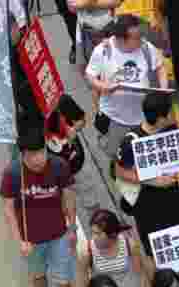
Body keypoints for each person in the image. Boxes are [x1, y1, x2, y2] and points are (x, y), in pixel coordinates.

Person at [0, 128, 78, 287]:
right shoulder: (13, 173)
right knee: (38, 274)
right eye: (32, 155)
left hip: (59, 232)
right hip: (31, 239)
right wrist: (20, 241)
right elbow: (8, 209)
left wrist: (72, 228)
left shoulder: (59, 166)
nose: (39, 158)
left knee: (65, 277)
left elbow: (69, 196)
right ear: (22, 154)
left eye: (41, 151)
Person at [114, 92, 179, 287]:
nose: (175, 114)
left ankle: (175, 279)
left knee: (175, 240)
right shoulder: (131, 140)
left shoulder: (171, 131)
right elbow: (119, 170)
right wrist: (152, 180)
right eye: (171, 111)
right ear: (160, 117)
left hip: (173, 200)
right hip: (148, 206)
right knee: (154, 251)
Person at [85, 14, 168, 156]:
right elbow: (90, 75)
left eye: (141, 35)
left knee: (142, 156)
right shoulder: (103, 51)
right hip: (114, 118)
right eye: (136, 38)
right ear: (121, 39)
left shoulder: (146, 48)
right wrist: (102, 86)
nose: (141, 40)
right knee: (116, 155)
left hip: (142, 119)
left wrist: (163, 90)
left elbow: (160, 66)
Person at [76, 209, 144, 287]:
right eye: (92, 232)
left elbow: (140, 275)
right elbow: (84, 283)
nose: (93, 237)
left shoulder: (129, 245)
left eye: (98, 233)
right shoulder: (86, 252)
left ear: (112, 234)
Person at [69, 0, 123, 76]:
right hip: (85, 30)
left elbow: (117, 2)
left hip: (109, 28)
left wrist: (84, 4)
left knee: (113, 67)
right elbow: (72, 7)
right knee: (89, 68)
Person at [46, 95, 88, 178]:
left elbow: (82, 120)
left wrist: (74, 129)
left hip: (70, 152)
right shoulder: (31, 113)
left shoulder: (63, 101)